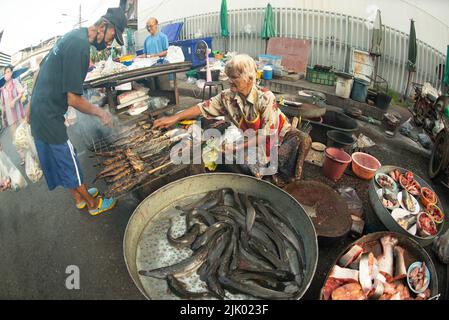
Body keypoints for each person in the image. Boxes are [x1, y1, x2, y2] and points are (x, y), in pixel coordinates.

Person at [153, 54, 311, 185]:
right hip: (252, 136)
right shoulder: (228, 97)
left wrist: (235, 147)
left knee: (248, 164)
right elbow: (203, 107)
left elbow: (265, 135)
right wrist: (175, 117)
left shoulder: (265, 98)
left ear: (249, 78)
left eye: (234, 77)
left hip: (277, 137)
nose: (229, 81)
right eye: (228, 77)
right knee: (226, 156)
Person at [28, 7, 127, 216]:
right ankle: (92, 204)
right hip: (49, 114)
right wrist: (101, 113)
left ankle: (78, 198)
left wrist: (30, 104)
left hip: (40, 111)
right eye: (112, 36)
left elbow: (41, 69)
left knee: (59, 158)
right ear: (103, 26)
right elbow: (72, 99)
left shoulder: (71, 36)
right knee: (67, 158)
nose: (111, 43)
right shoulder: (81, 47)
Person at [1, 65, 27, 164]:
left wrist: (14, 100)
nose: (6, 74)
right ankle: (23, 157)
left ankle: (30, 155)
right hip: (10, 118)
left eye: (8, 71)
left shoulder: (15, 82)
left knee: (24, 135)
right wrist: (3, 118)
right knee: (16, 138)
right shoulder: (2, 89)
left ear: (11, 73)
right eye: (5, 72)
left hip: (19, 114)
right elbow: (3, 105)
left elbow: (21, 92)